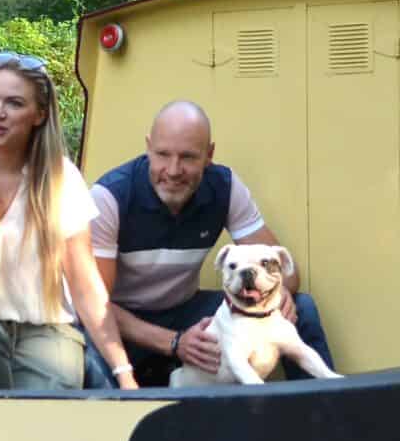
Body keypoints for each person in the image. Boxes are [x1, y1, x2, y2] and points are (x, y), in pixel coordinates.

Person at [87, 99, 335, 388]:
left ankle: (327, 415)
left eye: (188, 157)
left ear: (209, 155)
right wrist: (174, 342)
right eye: (162, 154)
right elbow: (95, 305)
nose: (173, 169)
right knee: (88, 356)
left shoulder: (225, 187)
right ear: (148, 147)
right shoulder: (110, 196)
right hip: (121, 320)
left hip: (186, 310)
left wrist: (277, 296)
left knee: (300, 308)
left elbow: (287, 274)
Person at [0, 51, 141, 391]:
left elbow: (86, 287)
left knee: (47, 401)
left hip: (47, 331)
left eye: (14, 103)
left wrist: (123, 371)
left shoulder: (60, 178)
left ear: (39, 114)